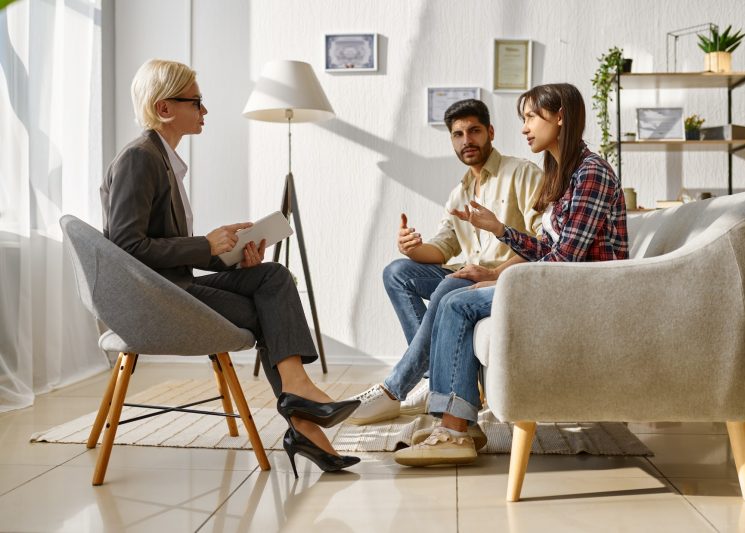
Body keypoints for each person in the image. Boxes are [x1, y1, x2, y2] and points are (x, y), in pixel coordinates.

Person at [100, 59, 360, 477]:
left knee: (272, 274)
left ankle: (299, 398)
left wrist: (226, 252)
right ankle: (304, 420)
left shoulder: (162, 160)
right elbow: (126, 247)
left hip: (173, 285)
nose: (205, 111)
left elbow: (160, 244)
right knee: (268, 313)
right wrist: (204, 244)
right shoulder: (140, 159)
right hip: (155, 299)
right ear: (165, 108)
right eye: (196, 102)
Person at [394, 83, 628, 466]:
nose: (525, 128)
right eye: (524, 119)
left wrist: (501, 278)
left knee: (457, 301)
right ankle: (460, 424)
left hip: (584, 293)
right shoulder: (564, 174)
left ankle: (452, 430)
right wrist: (500, 230)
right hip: (561, 283)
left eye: (531, 117)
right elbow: (550, 248)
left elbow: (566, 259)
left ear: (560, 117)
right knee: (453, 292)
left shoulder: (591, 173)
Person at [345, 100, 542, 439]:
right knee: (397, 271)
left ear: (490, 132)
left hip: (506, 277)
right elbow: (441, 248)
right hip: (469, 276)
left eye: (475, 131)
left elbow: (542, 243)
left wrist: (494, 273)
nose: (467, 140)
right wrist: (410, 246)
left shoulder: (521, 173)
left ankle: (395, 389)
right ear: (452, 141)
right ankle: (435, 378)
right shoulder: (460, 192)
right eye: (458, 134)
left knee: (451, 285)